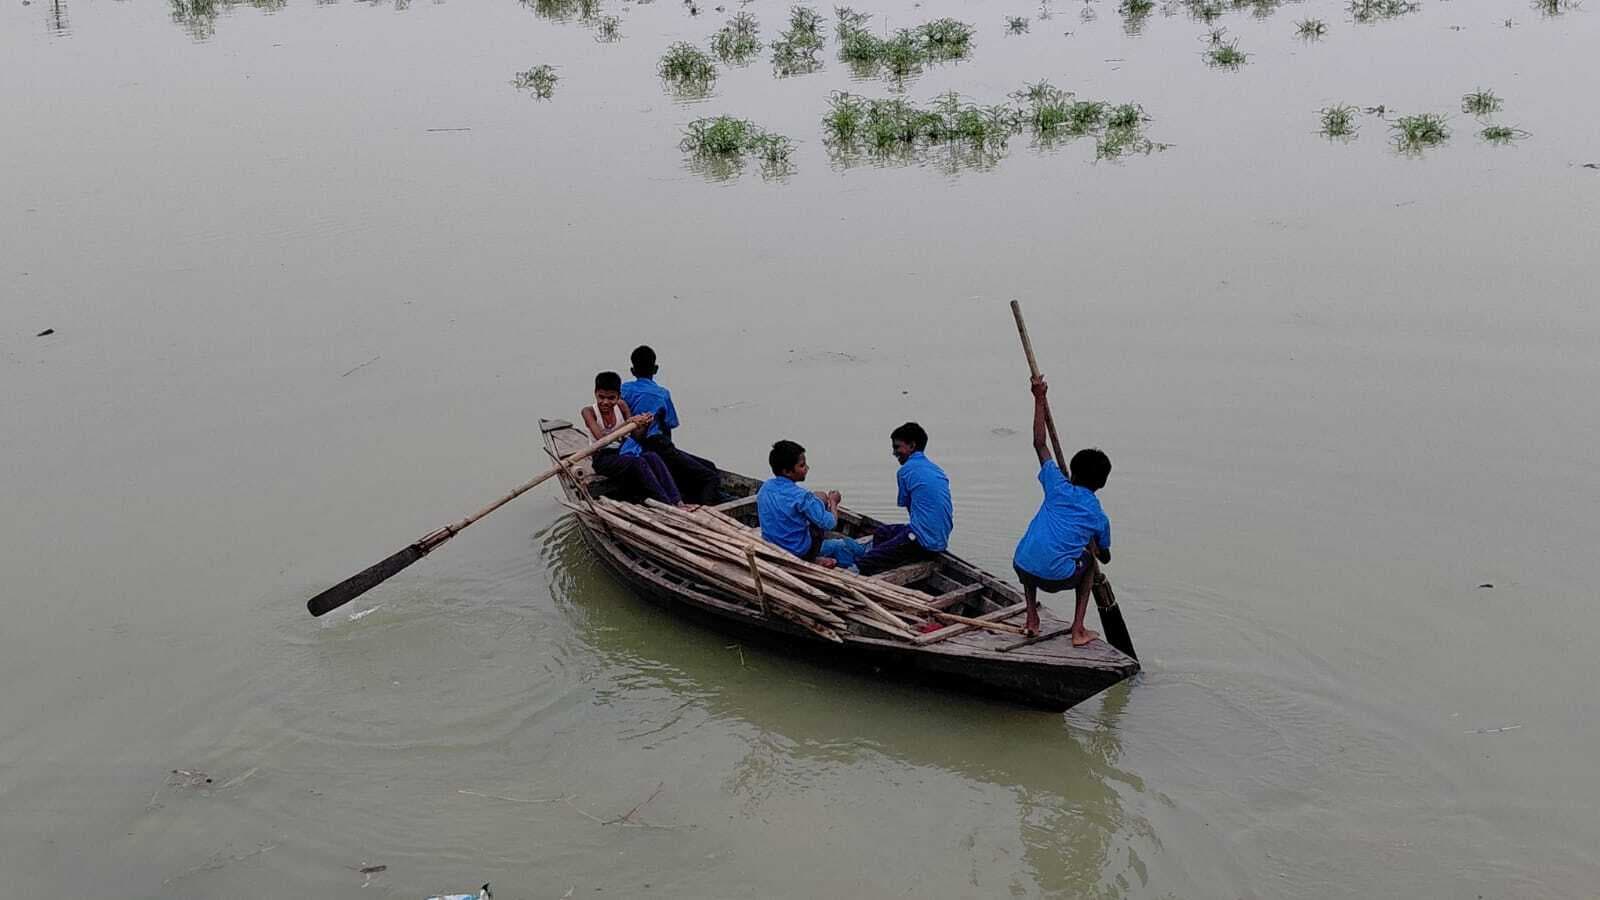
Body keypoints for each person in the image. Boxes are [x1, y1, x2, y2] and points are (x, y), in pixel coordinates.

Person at [1011, 375, 1112, 645]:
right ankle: (1077, 629)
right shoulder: (1097, 516)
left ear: (1073, 473)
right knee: (1088, 562)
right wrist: (1093, 546)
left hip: (1021, 566)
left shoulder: (1056, 484)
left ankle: (1032, 618)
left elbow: (1040, 443)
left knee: (1034, 547)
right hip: (1054, 577)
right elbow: (1104, 556)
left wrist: (1039, 397)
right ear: (1102, 483)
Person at [620, 345, 721, 504]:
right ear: (656, 369)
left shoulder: (623, 389)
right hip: (658, 445)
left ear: (632, 371)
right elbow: (669, 424)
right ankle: (704, 512)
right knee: (711, 474)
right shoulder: (661, 394)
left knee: (695, 469)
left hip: (629, 445)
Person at [855, 422, 954, 576]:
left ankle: (874, 570)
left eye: (897, 447)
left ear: (912, 446)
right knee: (882, 532)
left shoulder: (905, 471)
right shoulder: (936, 469)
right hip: (940, 540)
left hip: (922, 541)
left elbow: (909, 507)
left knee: (866, 562)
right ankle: (889, 562)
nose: (894, 452)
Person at [756, 440, 865, 569]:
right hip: (797, 551)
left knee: (820, 496)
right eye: (802, 466)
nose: (807, 468)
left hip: (773, 547)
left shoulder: (766, 487)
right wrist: (834, 503)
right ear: (787, 471)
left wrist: (823, 500)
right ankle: (853, 565)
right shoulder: (801, 496)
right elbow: (830, 523)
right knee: (843, 545)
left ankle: (817, 558)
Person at [581, 371, 682, 506]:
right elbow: (602, 439)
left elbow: (635, 436)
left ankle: (678, 502)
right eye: (601, 397)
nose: (605, 402)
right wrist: (628, 423)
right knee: (637, 463)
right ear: (595, 393)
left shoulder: (622, 406)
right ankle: (667, 504)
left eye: (611, 398)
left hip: (624, 451)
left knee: (653, 456)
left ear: (618, 397)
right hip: (603, 457)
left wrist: (644, 423)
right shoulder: (589, 412)